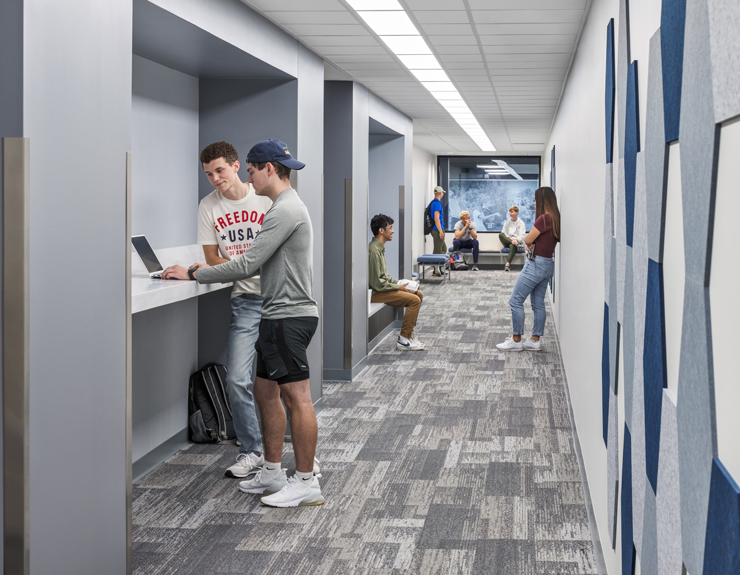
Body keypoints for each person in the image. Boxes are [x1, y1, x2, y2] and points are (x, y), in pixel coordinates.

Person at [163, 140, 324, 507]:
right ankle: (270, 470)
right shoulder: (281, 206)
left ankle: (305, 481)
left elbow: (246, 265)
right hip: (272, 311)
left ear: (268, 168)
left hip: (288, 314)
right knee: (264, 391)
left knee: (297, 398)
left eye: (249, 170)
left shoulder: (283, 209)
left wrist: (194, 274)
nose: (247, 177)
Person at [195, 141, 272, 479]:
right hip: (245, 301)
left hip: (278, 299)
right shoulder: (208, 206)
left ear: (237, 166)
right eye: (209, 174)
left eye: (220, 170)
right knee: (238, 379)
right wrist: (248, 266)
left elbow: (276, 257)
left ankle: (291, 455)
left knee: (281, 384)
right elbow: (212, 259)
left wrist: (241, 265)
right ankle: (252, 450)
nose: (215, 178)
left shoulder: (267, 199)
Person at [496, 187, 560, 352]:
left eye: (536, 199)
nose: (534, 202)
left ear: (543, 200)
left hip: (536, 264)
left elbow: (528, 239)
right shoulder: (555, 218)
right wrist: (530, 242)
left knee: (515, 300)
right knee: (538, 303)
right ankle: (534, 340)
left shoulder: (543, 219)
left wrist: (530, 241)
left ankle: (516, 340)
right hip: (547, 264)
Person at [369, 214, 425, 351]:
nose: (393, 231)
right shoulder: (373, 251)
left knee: (418, 294)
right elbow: (377, 283)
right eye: (390, 227)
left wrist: (400, 284)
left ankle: (409, 334)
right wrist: (397, 286)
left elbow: (383, 276)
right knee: (414, 300)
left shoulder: (379, 248)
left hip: (381, 289)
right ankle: (404, 340)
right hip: (376, 292)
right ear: (381, 230)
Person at [499, 206, 526, 272]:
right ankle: (515, 244)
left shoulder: (521, 223)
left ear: (516, 212)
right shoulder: (507, 223)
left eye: (512, 212)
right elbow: (503, 234)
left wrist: (516, 240)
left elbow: (522, 235)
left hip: (516, 242)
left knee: (512, 245)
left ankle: (507, 264)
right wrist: (511, 239)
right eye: (509, 212)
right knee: (500, 235)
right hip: (508, 241)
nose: (510, 214)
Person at [430, 186, 446, 276]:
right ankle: (436, 269)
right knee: (438, 250)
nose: (443, 194)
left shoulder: (433, 203)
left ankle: (437, 268)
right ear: (440, 193)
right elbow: (437, 218)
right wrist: (440, 231)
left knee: (443, 248)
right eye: (442, 192)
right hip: (437, 229)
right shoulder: (437, 204)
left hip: (436, 229)